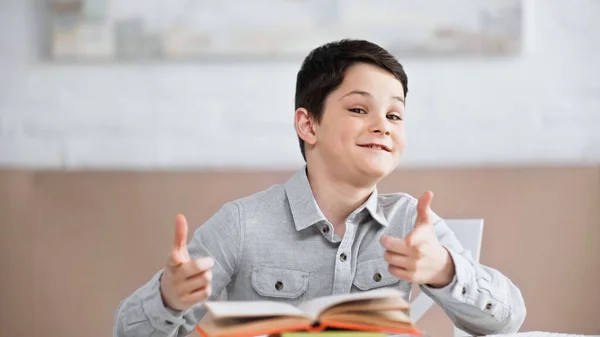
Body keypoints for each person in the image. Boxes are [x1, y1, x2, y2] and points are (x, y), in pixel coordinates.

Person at [113, 39, 526, 337]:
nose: (382, 125)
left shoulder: (409, 220)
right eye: (359, 109)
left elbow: (508, 320)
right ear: (308, 124)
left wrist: (444, 270)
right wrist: (169, 296)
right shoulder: (242, 224)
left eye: (395, 115)